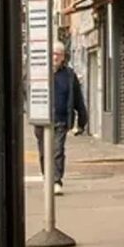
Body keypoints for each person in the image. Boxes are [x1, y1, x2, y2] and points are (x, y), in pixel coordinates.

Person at [34, 41, 88, 196]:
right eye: (53, 53)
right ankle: (47, 177)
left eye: (58, 54)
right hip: (41, 119)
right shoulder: (39, 72)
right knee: (44, 152)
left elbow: (78, 99)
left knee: (57, 150)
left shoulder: (69, 75)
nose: (55, 57)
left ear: (63, 57)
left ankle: (56, 181)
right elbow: (26, 89)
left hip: (61, 120)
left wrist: (82, 122)